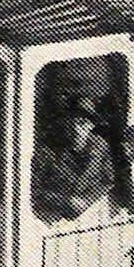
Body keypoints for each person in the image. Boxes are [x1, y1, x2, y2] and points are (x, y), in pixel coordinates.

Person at [32, 93, 120, 223]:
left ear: (91, 126)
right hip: (52, 221)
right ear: (64, 123)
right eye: (70, 123)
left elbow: (108, 182)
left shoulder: (101, 147)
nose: (76, 130)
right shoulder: (49, 150)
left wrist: (87, 200)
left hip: (90, 218)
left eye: (82, 123)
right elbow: (32, 190)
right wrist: (64, 201)